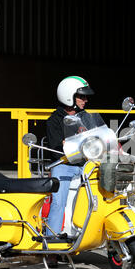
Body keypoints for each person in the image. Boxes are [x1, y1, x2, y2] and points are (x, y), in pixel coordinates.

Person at [46, 76, 102, 240]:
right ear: (69, 96)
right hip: (63, 165)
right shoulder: (54, 120)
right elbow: (57, 148)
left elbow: (99, 135)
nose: (85, 100)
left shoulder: (85, 116)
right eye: (82, 96)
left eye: (85, 97)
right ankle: (52, 243)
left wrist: (112, 144)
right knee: (58, 203)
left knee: (102, 196)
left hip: (85, 163)